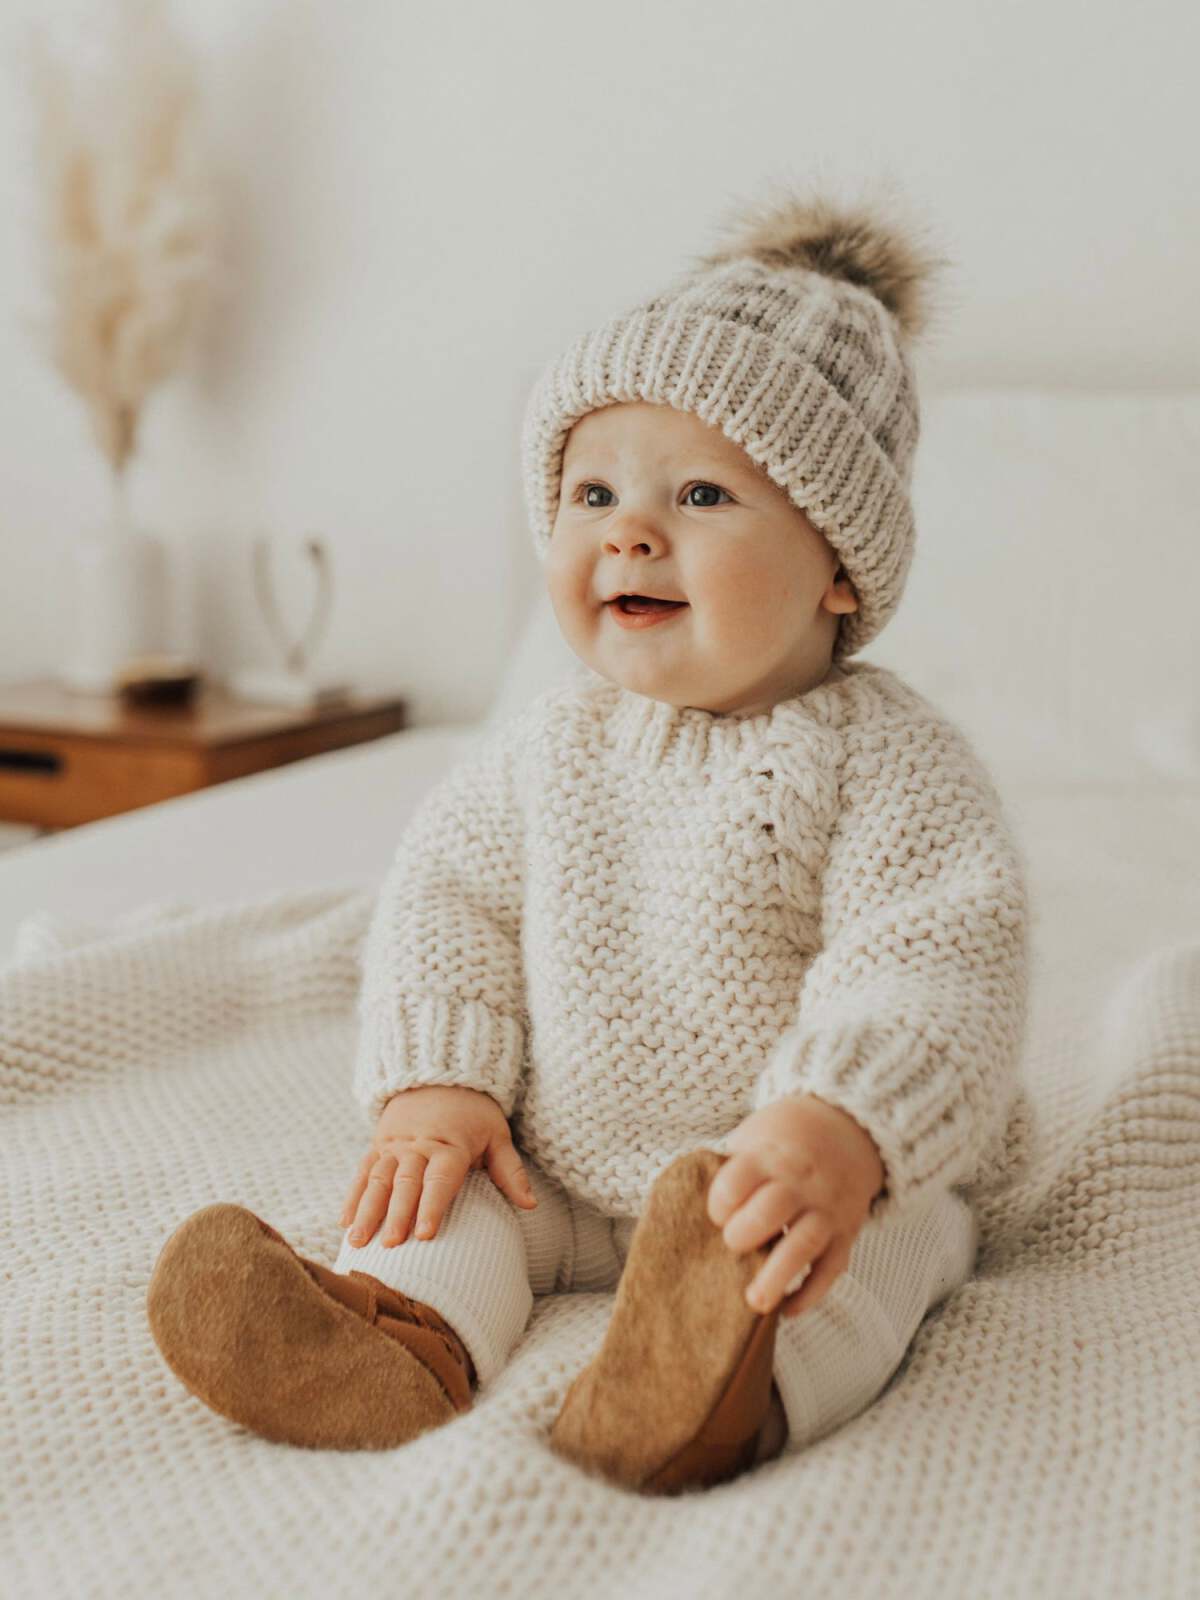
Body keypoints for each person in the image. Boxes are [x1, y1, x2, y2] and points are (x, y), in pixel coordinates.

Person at [147, 180, 1035, 1494]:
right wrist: (440, 1083)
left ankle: (734, 1382)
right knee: (442, 1193)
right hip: (558, 1160)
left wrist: (841, 1127)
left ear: (839, 563)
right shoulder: (545, 749)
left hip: (785, 1174)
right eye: (592, 489)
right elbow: (448, 900)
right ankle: (392, 1339)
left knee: (867, 1252)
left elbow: (938, 955)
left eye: (700, 496)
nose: (629, 527)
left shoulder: (892, 764)